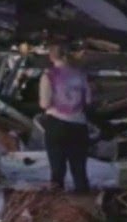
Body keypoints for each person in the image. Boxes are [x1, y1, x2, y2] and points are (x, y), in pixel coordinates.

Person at [39, 43, 92, 193]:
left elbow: (44, 104)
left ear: (51, 57)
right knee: (79, 170)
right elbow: (88, 100)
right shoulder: (80, 74)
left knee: (57, 170)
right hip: (79, 124)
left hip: (56, 123)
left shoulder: (49, 75)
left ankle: (58, 208)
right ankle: (84, 202)